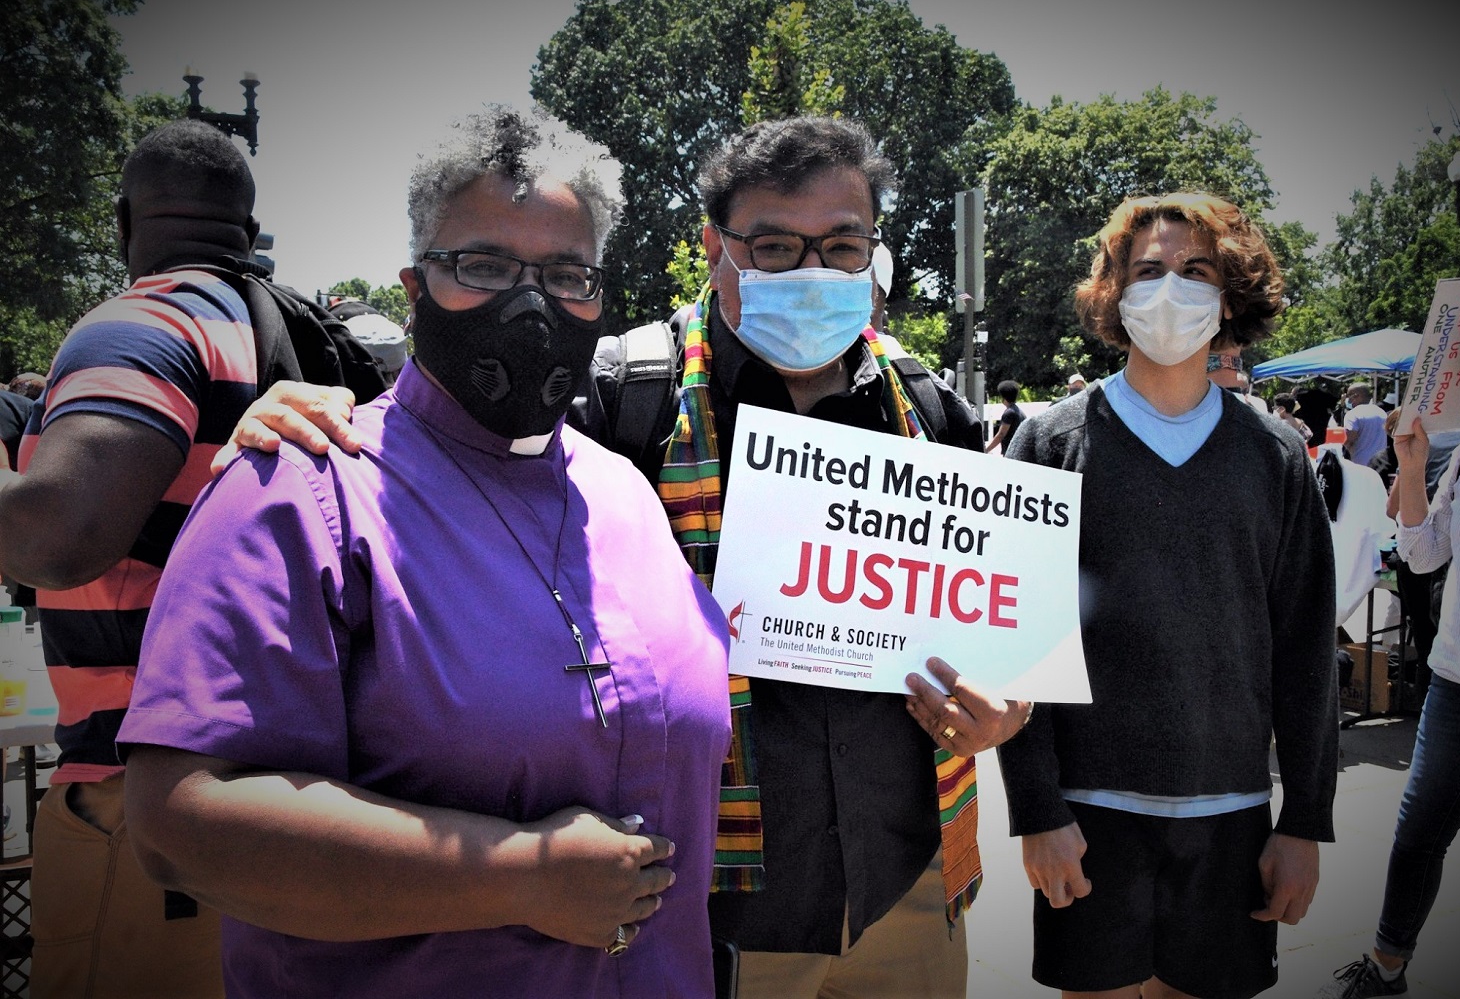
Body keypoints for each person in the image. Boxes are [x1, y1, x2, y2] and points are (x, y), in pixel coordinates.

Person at [224, 114, 1033, 999]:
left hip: (906, 889)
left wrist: (1006, 703)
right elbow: (459, 440)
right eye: (772, 247)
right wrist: (328, 411)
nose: (811, 273)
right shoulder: (618, 394)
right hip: (704, 911)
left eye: (842, 247)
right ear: (713, 248)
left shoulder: (930, 409)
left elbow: (1001, 634)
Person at [119, 105, 731, 998]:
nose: (531, 305)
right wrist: (515, 874)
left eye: (568, 274)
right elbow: (181, 823)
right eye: (483, 265)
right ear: (414, 286)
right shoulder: (302, 487)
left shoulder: (625, 493)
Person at [0, 118, 345, 998]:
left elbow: (57, 536)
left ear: (123, 223)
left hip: (145, 813)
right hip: (291, 805)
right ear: (246, 227)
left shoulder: (144, 324)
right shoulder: (296, 336)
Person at [1000, 191, 1339, 999]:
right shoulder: (1049, 442)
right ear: (1114, 291)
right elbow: (1015, 639)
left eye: (1196, 270)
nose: (1170, 288)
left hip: (1231, 812)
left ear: (1230, 294)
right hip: (1088, 816)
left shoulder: (1274, 455)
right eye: (1148, 270)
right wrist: (1037, 809)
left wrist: (1305, 819)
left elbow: (1305, 648)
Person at [1323, 320, 1460, 997]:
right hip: (1459, 685)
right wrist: (1415, 465)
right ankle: (1386, 968)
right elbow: (1422, 558)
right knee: (1419, 836)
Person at [1344, 381, 1389, 467]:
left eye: (1349, 395)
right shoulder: (1381, 412)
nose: (1348, 400)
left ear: (1356, 395)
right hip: (1381, 464)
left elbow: (1350, 440)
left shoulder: (1353, 414)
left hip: (1360, 464)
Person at [984, 378, 1025, 454]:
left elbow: (1001, 434)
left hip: (1010, 452)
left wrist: (986, 450)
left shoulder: (1009, 413)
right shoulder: (1019, 412)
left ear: (1003, 397)